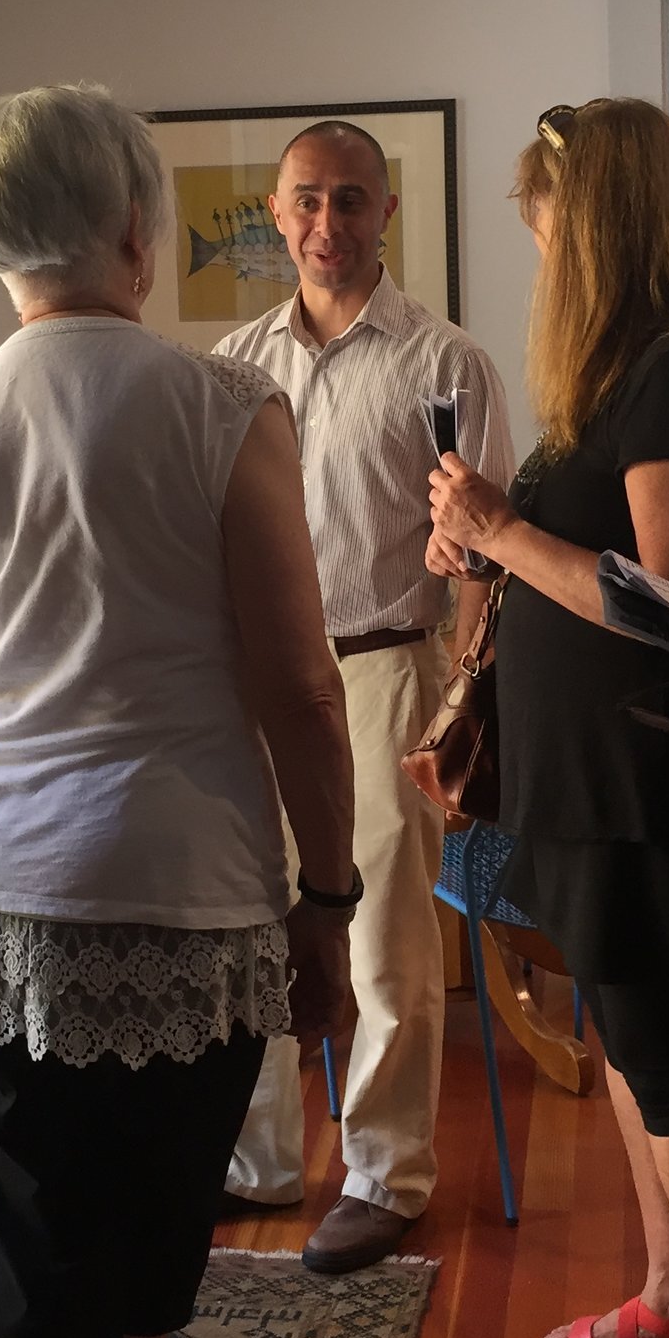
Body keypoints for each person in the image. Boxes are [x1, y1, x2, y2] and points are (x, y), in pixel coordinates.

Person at [0, 84, 360, 1338]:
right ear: (135, 231)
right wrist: (331, 896)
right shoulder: (225, 407)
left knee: (33, 1261)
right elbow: (304, 690)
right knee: (155, 1238)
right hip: (186, 888)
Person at [427, 98, 669, 1338]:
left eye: (545, 226)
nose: (539, 253)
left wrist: (503, 528)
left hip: (653, 788)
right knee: (652, 1049)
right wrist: (486, 546)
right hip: (603, 783)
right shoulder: (646, 365)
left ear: (595, 227)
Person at [212, 119, 516, 1273]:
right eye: (305, 201)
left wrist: (461, 700)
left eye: (349, 200)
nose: (326, 224)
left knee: (386, 939)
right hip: (257, 683)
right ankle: (259, 1160)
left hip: (392, 670)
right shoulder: (234, 368)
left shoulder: (446, 365)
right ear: (275, 216)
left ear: (386, 212)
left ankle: (387, 1175)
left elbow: (488, 554)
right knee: (253, 924)